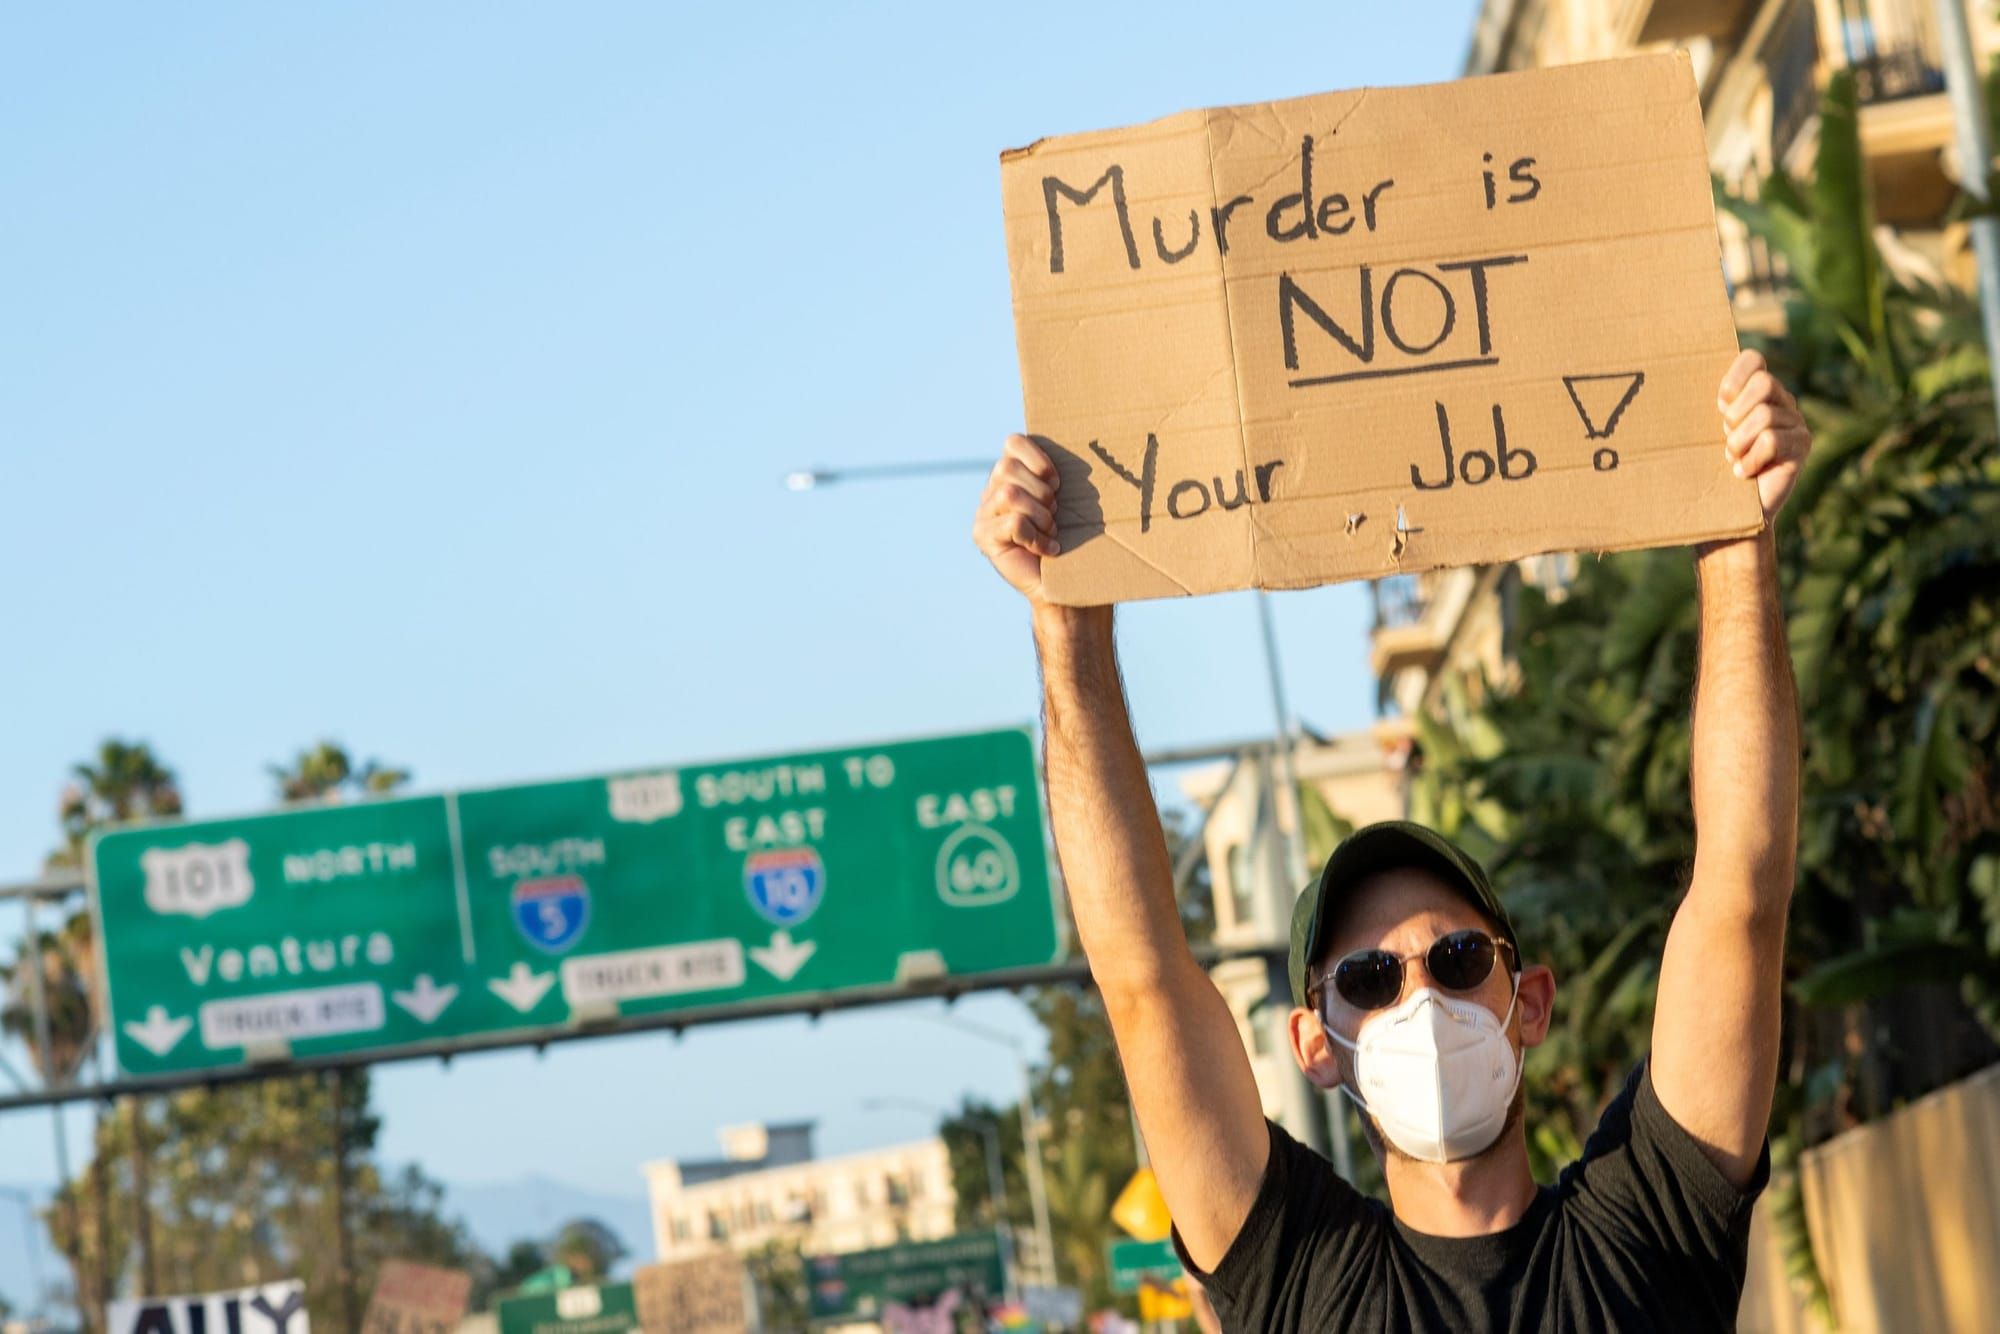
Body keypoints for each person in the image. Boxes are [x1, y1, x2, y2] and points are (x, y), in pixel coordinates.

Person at [972, 350, 1810, 1331]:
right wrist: (1065, 628)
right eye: (1369, 978)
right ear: (1312, 1040)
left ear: (1526, 999)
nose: (1421, 999)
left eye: (1455, 959)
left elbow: (1739, 893)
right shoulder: (1294, 1273)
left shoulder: (1650, 1227)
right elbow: (1143, 976)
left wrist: (1735, 546)